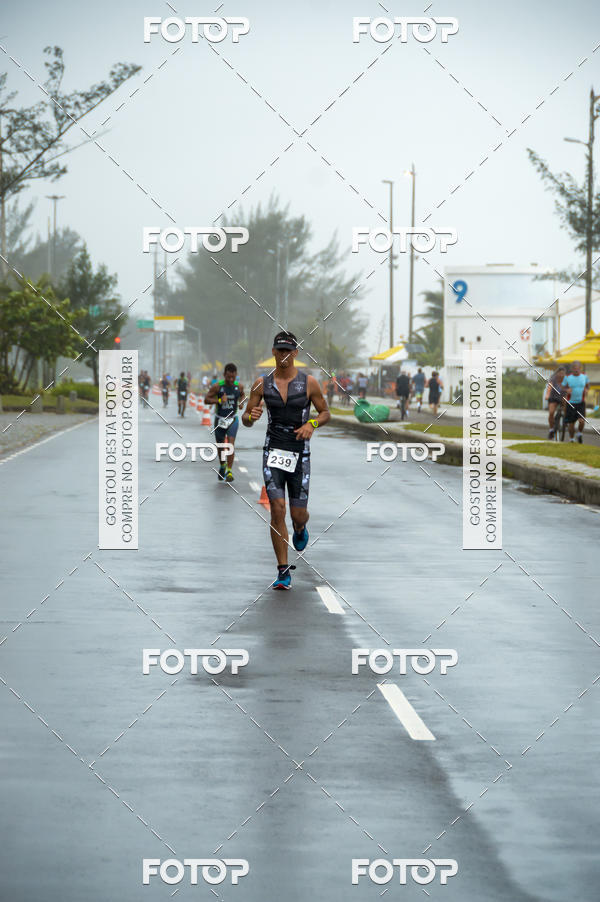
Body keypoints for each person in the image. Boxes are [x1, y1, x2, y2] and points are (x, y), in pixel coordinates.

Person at [242, 330, 330, 590]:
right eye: (279, 350)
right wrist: (252, 416)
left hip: (300, 453)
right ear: (273, 352)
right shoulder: (261, 383)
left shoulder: (309, 383)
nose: (283, 355)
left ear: (295, 353)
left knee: (297, 513)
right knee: (277, 509)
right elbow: (246, 418)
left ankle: (301, 528)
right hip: (274, 452)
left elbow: (325, 413)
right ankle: (283, 570)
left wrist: (312, 423)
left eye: (288, 351)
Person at [205, 363, 246, 481]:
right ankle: (222, 465)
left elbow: (243, 395)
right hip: (220, 419)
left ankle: (229, 471)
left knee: (230, 445)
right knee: (221, 446)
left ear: (236, 375)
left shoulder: (239, 387)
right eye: (228, 377)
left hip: (233, 419)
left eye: (233, 377)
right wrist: (219, 400)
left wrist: (242, 402)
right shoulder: (218, 386)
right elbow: (206, 399)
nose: (230, 379)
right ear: (224, 375)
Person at [563, 360, 589, 443]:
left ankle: (579, 434)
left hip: (581, 402)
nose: (576, 370)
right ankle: (571, 439)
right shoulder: (567, 377)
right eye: (574, 368)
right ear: (572, 369)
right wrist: (567, 390)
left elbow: (588, 386)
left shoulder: (584, 376)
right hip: (570, 402)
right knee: (571, 423)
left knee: (582, 421)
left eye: (578, 368)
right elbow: (562, 388)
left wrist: (586, 390)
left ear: (580, 368)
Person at [545, 366, 566, 439]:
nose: (561, 375)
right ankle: (551, 430)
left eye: (563, 374)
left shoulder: (566, 380)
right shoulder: (553, 379)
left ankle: (565, 420)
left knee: (567, 406)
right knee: (551, 412)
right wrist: (547, 395)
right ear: (557, 374)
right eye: (560, 373)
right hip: (553, 398)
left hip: (563, 398)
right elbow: (549, 387)